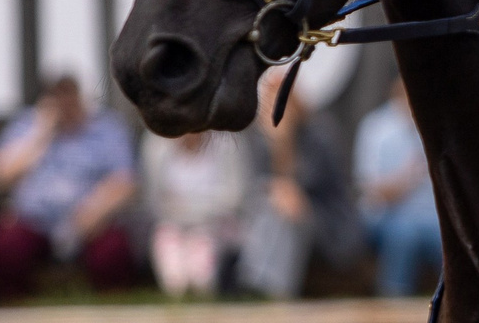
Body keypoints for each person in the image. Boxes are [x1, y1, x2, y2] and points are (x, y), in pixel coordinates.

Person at [0, 75, 140, 296]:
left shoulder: (107, 128)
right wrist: (41, 132)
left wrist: (95, 210)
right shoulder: (28, 124)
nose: (65, 103)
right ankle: (15, 310)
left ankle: (111, 312)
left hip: (90, 222)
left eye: (70, 95)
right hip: (34, 222)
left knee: (113, 249)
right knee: (6, 243)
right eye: (59, 96)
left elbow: (125, 181)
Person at [233, 69, 363, 300]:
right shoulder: (257, 136)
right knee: (274, 210)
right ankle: (261, 288)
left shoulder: (321, 132)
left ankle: (274, 295)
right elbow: (255, 184)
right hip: (274, 214)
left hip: (327, 221)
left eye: (281, 96)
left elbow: (316, 184)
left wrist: (284, 143)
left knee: (287, 214)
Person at [354, 78, 441, 298]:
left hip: (432, 218)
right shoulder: (377, 128)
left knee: (451, 237)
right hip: (386, 215)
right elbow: (372, 191)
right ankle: (393, 300)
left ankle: (454, 301)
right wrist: (407, 178)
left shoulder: (436, 125)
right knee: (403, 234)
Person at [142, 130, 252, 298]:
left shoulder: (227, 142)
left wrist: (191, 212)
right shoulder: (155, 145)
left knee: (202, 279)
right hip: (172, 226)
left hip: (215, 227)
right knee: (174, 279)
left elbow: (234, 198)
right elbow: (154, 200)